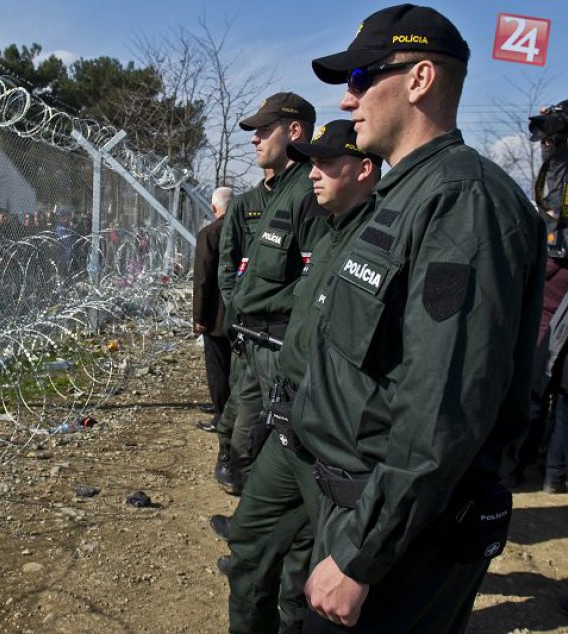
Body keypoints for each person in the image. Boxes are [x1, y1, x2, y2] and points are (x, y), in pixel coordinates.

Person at [297, 5, 546, 631]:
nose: (349, 100)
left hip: (402, 537)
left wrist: (360, 555)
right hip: (365, 509)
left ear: (419, 79)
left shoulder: (463, 201)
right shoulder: (405, 194)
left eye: (360, 78)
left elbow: (445, 404)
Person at [226, 120, 381, 634]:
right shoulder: (333, 231)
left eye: (327, 164)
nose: (314, 174)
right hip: (289, 424)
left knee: (325, 572)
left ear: (364, 169)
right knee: (249, 543)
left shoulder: (380, 239)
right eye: (311, 163)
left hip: (334, 443)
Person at [216, 91, 330, 632]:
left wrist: (260, 311)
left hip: (284, 351)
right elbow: (241, 267)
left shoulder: (308, 194)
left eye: (265, 129)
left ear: (296, 132)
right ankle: (255, 549)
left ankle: (286, 588)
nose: (255, 138)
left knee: (284, 469)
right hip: (256, 344)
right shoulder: (271, 194)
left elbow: (313, 284)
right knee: (249, 447)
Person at [214, 168, 274, 490]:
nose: (255, 140)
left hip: (276, 327)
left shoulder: (300, 199)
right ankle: (228, 453)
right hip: (246, 324)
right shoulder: (246, 204)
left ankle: (256, 467)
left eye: (265, 132)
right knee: (241, 394)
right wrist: (237, 309)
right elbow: (228, 263)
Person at [524, 100, 568, 494]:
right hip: (553, 264)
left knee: (552, 378)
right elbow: (550, 207)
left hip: (559, 268)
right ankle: (535, 466)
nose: (545, 140)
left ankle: (547, 470)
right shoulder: (553, 170)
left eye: (553, 133)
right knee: (538, 371)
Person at [193, 186, 233, 433]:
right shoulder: (244, 230)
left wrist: (199, 317)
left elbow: (202, 279)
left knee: (218, 367)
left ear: (213, 207)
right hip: (240, 312)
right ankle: (229, 409)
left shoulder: (210, 233)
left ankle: (221, 415)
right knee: (235, 367)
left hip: (215, 316)